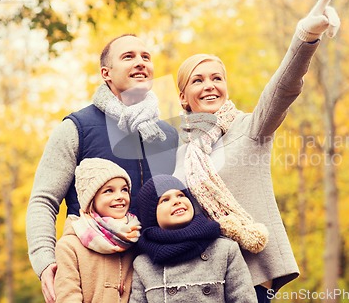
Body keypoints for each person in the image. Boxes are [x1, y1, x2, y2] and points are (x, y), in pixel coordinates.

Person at [173, 0, 340, 302]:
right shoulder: (179, 154)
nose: (209, 85)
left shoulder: (250, 128)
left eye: (216, 78)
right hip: (196, 286)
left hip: (249, 283)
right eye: (197, 80)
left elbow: (284, 88)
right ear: (183, 97)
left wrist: (304, 37)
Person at [26, 34, 178, 303]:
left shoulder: (167, 134)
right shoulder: (77, 128)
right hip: (88, 273)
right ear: (106, 73)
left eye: (146, 57)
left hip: (153, 272)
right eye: (128, 56)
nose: (141, 62)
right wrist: (45, 262)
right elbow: (43, 200)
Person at [129, 174, 257, 303]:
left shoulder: (224, 249)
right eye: (165, 200)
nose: (177, 201)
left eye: (181, 195)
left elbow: (244, 299)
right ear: (151, 215)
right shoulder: (143, 263)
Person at [55, 158, 141, 302]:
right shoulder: (69, 247)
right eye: (109, 191)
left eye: (124, 189)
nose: (120, 196)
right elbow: (68, 297)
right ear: (91, 199)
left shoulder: (134, 237)